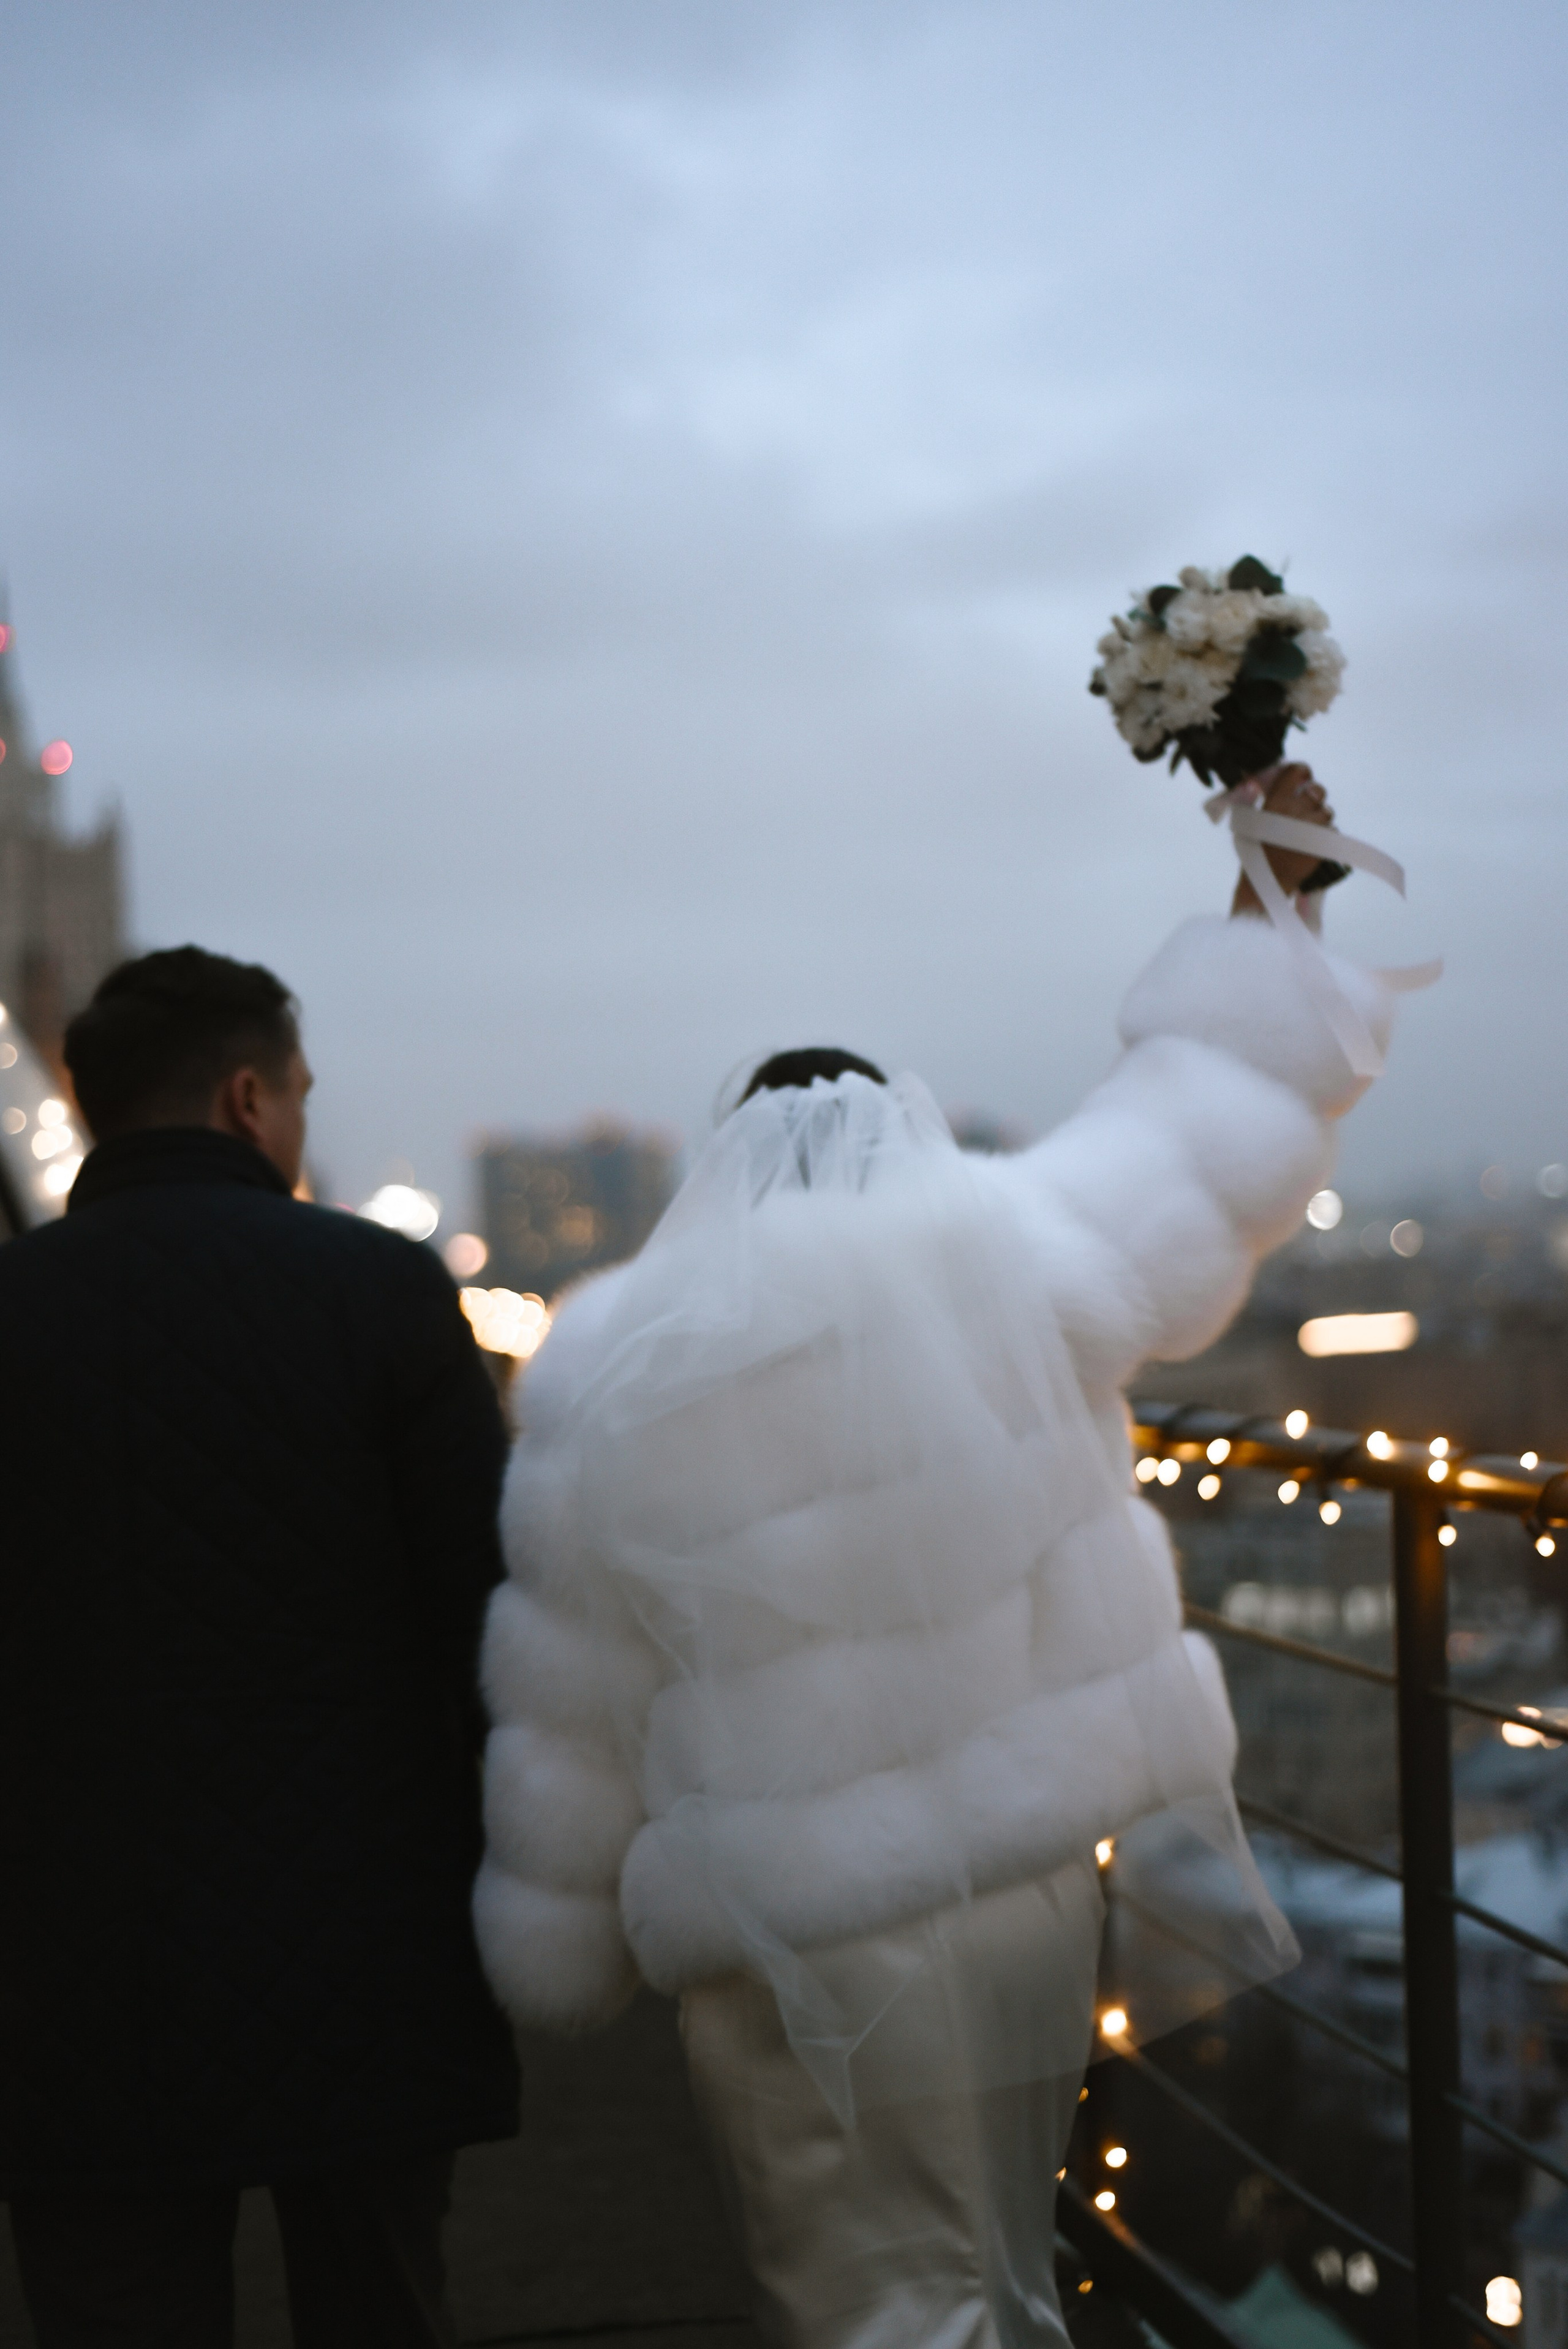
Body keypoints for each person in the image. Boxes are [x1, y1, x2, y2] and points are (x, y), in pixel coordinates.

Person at [473, 766, 1391, 2349]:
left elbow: (577, 1684)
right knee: (1000, 2255)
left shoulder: (609, 1362)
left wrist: (560, 1933)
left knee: (858, 2290)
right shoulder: (1023, 1262)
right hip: (1026, 1883)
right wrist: (1275, 903)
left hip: (796, 1917)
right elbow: (1193, 1138)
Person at [0, 947, 518, 2349]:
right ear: (247, 1099)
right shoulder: (378, 1288)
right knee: (378, 2307)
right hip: (363, 1930)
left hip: (66, 1960)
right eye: (296, 1092)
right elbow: (485, 1607)